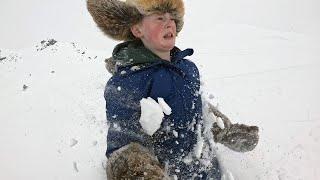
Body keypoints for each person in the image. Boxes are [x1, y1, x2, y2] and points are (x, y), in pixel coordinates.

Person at [87, 0, 259, 179]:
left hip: (210, 173)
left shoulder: (188, 68)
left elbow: (199, 109)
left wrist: (226, 132)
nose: (169, 23)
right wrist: (140, 173)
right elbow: (124, 144)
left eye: (172, 18)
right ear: (137, 30)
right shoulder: (128, 82)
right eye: (159, 17)